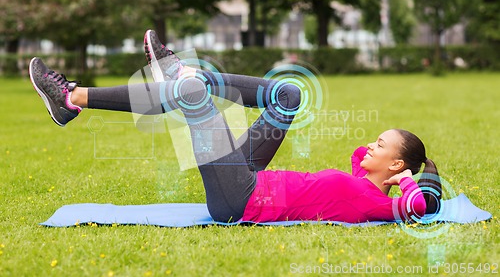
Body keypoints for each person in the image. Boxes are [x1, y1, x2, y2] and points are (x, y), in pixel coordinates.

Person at [29, 30, 441, 224]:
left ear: (397, 164)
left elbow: (424, 206)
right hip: (250, 177)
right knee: (289, 97)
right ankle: (190, 76)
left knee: (187, 93)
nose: (370, 144)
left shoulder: (379, 203)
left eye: (381, 144)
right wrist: (393, 170)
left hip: (241, 199)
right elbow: (360, 162)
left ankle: (72, 99)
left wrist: (412, 180)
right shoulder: (364, 183)